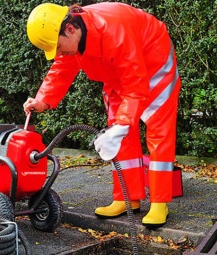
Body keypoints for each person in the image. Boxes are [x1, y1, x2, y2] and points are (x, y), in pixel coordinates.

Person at [23, 2, 181, 227]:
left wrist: (124, 124)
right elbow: (62, 68)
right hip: (117, 72)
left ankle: (159, 202)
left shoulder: (115, 30)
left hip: (154, 64)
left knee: (159, 131)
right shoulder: (71, 35)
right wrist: (43, 100)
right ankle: (127, 198)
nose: (59, 53)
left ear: (70, 28)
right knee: (118, 131)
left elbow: (136, 85)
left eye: (58, 47)